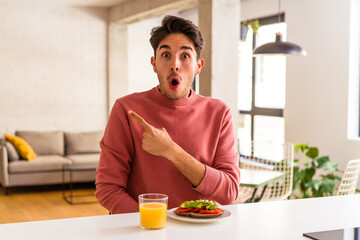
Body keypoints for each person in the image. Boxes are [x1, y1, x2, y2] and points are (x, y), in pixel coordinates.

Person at [95, 15, 240, 214]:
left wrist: (171, 150)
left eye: (185, 56)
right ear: (154, 63)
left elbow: (229, 191)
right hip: (145, 231)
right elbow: (108, 189)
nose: (175, 65)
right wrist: (153, 224)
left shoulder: (220, 113)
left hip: (201, 230)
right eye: (166, 55)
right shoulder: (126, 109)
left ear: (199, 66)